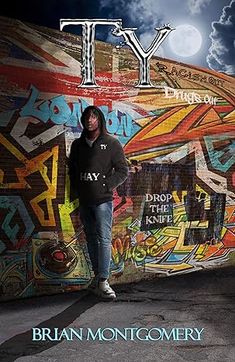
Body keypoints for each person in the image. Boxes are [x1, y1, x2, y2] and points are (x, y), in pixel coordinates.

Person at [68, 106, 128, 299]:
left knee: (104, 238)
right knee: (91, 239)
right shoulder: (77, 145)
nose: (89, 120)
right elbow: (72, 171)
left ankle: (104, 280)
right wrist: (76, 191)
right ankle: (97, 278)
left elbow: (122, 171)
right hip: (85, 201)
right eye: (86, 117)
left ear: (99, 120)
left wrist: (106, 185)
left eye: (93, 117)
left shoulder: (112, 143)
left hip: (103, 201)